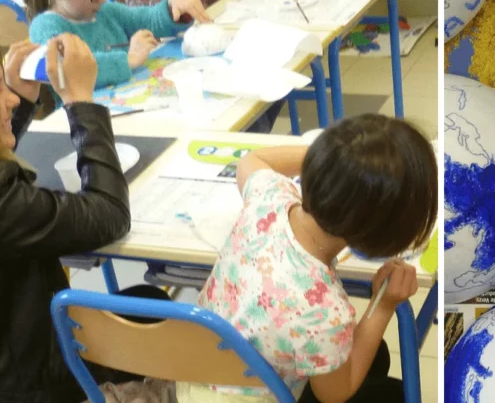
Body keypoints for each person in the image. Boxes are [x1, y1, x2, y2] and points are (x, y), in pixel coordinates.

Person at [0, 22, 166, 403]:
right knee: (154, 310)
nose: (10, 99)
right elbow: (110, 213)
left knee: (141, 299)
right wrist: (81, 103)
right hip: (23, 384)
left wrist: (18, 105)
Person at [175, 114, 438, 402]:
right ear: (382, 237)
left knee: (374, 354)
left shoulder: (269, 199)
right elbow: (334, 394)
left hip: (195, 374)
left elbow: (251, 160)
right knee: (394, 394)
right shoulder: (324, 311)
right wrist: (383, 305)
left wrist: (337, 163)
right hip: (249, 396)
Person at [21, 0, 212, 99]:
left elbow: (148, 19)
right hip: (84, 121)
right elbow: (70, 69)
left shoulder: (106, 11)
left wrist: (171, 5)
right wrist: (128, 60)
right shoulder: (45, 27)